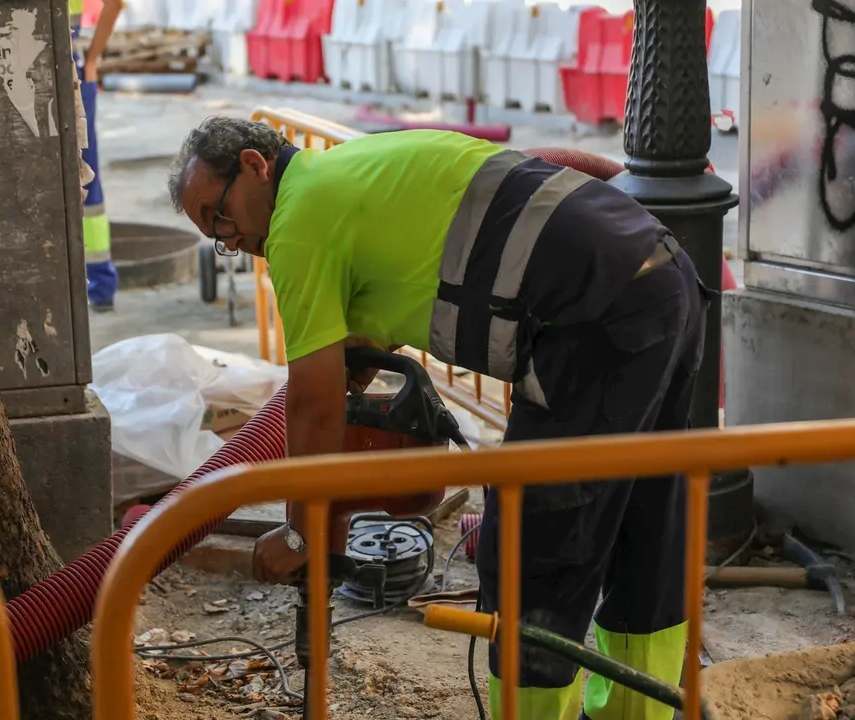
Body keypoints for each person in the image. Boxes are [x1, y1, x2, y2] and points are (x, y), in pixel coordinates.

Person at [167, 116, 713, 720]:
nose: (230, 238)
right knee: (648, 522)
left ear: (253, 164)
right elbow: (409, 282)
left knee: (534, 543)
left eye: (220, 214)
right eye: (213, 234)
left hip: (594, 316)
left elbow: (314, 404)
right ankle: (640, 713)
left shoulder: (296, 223)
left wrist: (301, 533)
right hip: (667, 282)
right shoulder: (349, 170)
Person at [70, 0, 121, 311]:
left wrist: (90, 62)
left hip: (17, 72)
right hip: (72, 71)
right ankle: (99, 285)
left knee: (84, 178)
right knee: (86, 175)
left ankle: (97, 283)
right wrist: (89, 61)